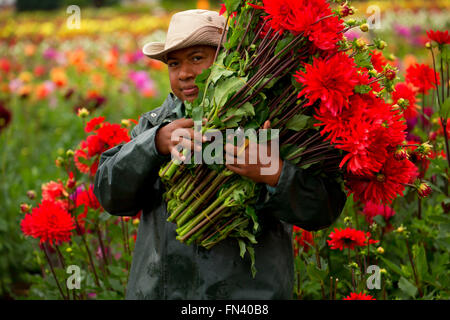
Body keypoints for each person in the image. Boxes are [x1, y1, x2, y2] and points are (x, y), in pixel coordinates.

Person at [93, 9, 346, 300]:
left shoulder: (272, 123)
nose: (184, 73)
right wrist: (153, 145)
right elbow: (109, 194)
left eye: (197, 58)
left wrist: (274, 173)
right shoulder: (155, 126)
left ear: (228, 61)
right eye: (174, 63)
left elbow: (323, 210)